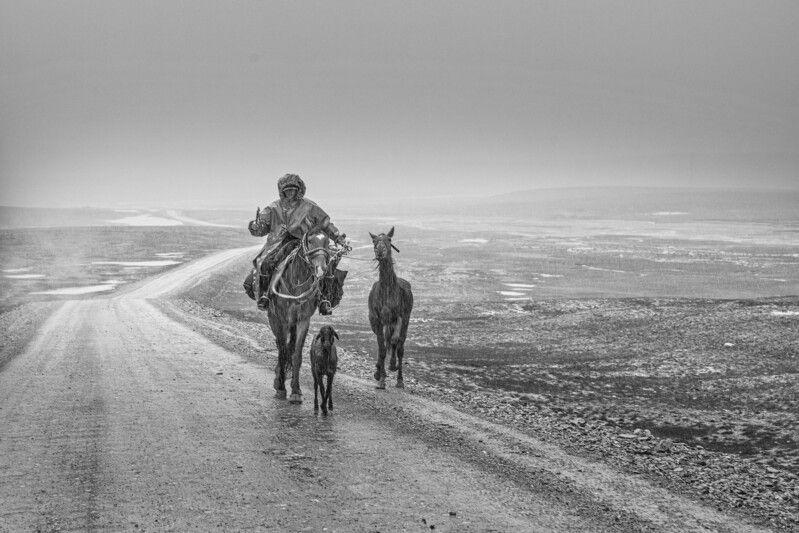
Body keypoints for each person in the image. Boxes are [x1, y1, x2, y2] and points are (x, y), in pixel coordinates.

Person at [244, 173, 348, 315]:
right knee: (266, 263)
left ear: (299, 190)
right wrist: (256, 227)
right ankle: (265, 296)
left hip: (306, 241)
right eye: (287, 190)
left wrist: (338, 238)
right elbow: (262, 228)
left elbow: (325, 224)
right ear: (282, 191)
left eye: (293, 189)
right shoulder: (273, 207)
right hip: (280, 243)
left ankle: (324, 299)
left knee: (326, 264)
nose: (291, 192)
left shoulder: (309, 206)